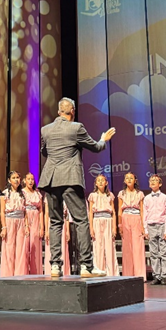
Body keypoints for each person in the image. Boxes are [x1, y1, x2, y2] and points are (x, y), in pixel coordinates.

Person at [39, 97, 115, 277]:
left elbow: (44, 152)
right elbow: (95, 147)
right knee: (81, 220)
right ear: (72, 111)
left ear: (59, 111)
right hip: (70, 179)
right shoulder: (76, 128)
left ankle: (55, 266)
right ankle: (86, 266)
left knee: (55, 222)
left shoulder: (45, 130)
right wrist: (103, 139)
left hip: (50, 180)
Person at [0, 171, 28, 277]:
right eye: (14, 178)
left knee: (21, 249)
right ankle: (7, 274)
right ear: (9, 180)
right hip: (9, 220)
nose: (16, 180)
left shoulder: (23, 193)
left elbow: (25, 212)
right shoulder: (5, 193)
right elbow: (2, 212)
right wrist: (4, 227)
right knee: (9, 247)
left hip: (20, 220)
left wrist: (26, 225)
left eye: (18, 177)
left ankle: (20, 274)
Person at [88, 174, 118, 276]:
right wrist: (91, 228)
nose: (100, 182)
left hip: (108, 220)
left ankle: (111, 273)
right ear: (96, 183)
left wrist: (114, 227)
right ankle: (99, 271)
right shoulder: (92, 195)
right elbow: (90, 213)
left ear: (106, 183)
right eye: (98, 180)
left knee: (109, 247)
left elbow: (113, 212)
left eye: (102, 180)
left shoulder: (110, 195)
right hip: (97, 221)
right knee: (98, 247)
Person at [143, 174, 166, 285]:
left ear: (160, 184)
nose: (153, 182)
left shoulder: (164, 197)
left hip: (162, 225)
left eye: (155, 180)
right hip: (151, 226)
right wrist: (145, 230)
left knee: (164, 252)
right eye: (151, 180)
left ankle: (164, 276)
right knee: (153, 253)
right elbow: (145, 215)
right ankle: (156, 276)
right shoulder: (146, 198)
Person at [117, 172, 146, 278]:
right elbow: (119, 211)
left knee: (138, 246)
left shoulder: (140, 194)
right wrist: (120, 225)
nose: (129, 180)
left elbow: (142, 210)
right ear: (124, 181)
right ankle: (128, 274)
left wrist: (143, 226)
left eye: (131, 178)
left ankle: (140, 274)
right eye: (127, 178)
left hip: (136, 218)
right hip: (125, 219)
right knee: (127, 247)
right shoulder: (121, 193)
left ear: (135, 180)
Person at [23, 172, 45, 275]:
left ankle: (35, 272)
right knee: (26, 244)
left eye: (32, 179)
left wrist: (42, 227)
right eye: (29, 179)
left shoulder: (37, 193)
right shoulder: (22, 192)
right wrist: (26, 224)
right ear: (25, 181)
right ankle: (24, 271)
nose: (31, 181)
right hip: (26, 217)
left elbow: (41, 211)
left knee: (35, 244)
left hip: (36, 218)